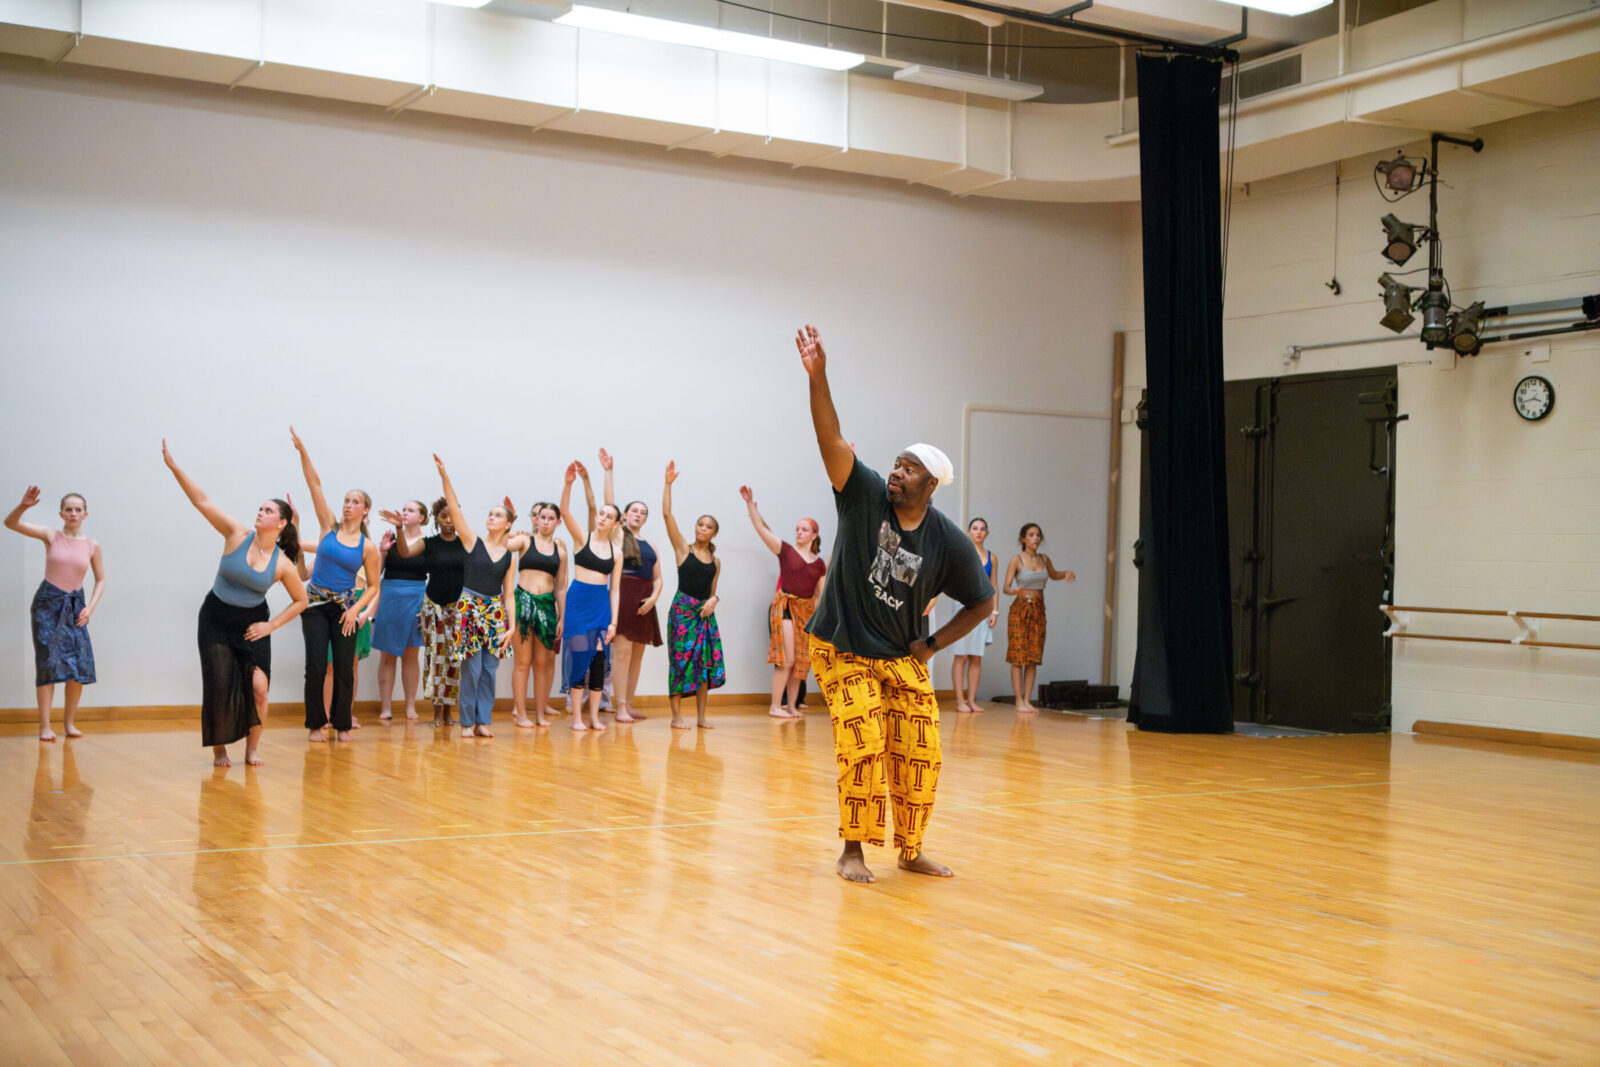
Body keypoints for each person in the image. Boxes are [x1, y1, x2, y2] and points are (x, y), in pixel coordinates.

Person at [794, 324, 995, 885]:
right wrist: (819, 376)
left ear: (930, 485)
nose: (896, 473)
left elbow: (982, 601)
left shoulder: (947, 539)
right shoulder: (863, 495)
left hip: (899, 654)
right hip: (840, 644)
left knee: (921, 750)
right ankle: (853, 851)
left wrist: (931, 645)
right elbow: (829, 438)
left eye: (908, 469)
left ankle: (910, 850)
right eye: (896, 464)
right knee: (863, 741)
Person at [162, 441, 308, 766]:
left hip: (252, 624)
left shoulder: (283, 563)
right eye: (260, 508)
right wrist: (174, 467)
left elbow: (301, 600)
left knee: (259, 688)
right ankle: (219, 748)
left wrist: (270, 625)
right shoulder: (236, 534)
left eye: (268, 510)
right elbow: (201, 501)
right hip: (215, 618)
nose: (261, 512)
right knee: (219, 684)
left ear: (282, 523)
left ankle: (252, 750)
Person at [290, 426, 381, 743]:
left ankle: (342, 724)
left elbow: (372, 586)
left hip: (345, 608)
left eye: (354, 502)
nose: (347, 505)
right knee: (315, 666)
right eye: (346, 500)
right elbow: (314, 484)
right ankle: (316, 723)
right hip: (315, 604)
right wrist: (304, 452)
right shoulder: (328, 527)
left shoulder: (367, 547)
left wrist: (356, 610)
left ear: (365, 510)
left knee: (344, 669)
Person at [6, 486, 106, 741]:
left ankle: (69, 723)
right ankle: (44, 726)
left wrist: (90, 608)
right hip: (47, 605)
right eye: (69, 509)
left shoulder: (92, 545)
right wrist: (23, 505)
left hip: (76, 606)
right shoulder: (51, 535)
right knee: (48, 663)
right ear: (62, 513)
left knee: (78, 666)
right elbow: (11, 523)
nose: (73, 513)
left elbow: (101, 579)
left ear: (85, 514)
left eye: (78, 509)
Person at [430, 455, 515, 738]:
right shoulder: (471, 541)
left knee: (490, 669)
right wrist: (445, 476)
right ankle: (467, 722)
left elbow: (509, 594)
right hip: (469, 607)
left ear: (507, 524)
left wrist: (512, 627)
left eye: (498, 515)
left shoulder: (509, 556)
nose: (492, 518)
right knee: (472, 669)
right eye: (490, 514)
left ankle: (483, 721)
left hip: (494, 611)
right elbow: (453, 508)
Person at [739, 485, 826, 719]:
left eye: (804, 529)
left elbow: (821, 595)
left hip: (806, 612)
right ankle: (775, 705)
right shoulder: (786, 550)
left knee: (800, 662)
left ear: (814, 535)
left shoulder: (819, 564)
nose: (798, 532)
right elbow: (762, 530)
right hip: (785, 607)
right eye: (797, 529)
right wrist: (750, 505)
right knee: (786, 660)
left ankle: (791, 706)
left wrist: (817, 618)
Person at [388, 497, 467, 728]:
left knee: (453, 661)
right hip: (433, 606)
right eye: (444, 516)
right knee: (435, 659)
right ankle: (436, 713)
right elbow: (404, 553)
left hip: (457, 609)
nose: (449, 521)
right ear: (436, 519)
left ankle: (449, 712)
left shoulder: (467, 544)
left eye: (453, 515)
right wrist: (399, 529)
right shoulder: (429, 543)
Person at [600, 448, 661, 724]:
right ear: (624, 515)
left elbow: (658, 578)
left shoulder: (651, 545)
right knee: (622, 655)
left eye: (643, 512)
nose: (639, 514)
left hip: (645, 602)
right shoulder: (619, 534)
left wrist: (653, 599)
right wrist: (609, 472)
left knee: (637, 656)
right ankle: (620, 705)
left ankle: (630, 703)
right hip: (623, 597)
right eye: (634, 510)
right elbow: (609, 502)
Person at [559, 461, 621, 732]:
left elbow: (615, 589)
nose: (603, 517)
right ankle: (576, 718)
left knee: (598, 662)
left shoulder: (616, 552)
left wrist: (613, 622)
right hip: (577, 601)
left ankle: (594, 716)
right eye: (601, 513)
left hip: (600, 605)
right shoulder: (580, 538)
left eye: (609, 515)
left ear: (616, 523)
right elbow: (564, 510)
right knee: (578, 659)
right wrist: (569, 484)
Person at [662, 463, 725, 730]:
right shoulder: (682, 549)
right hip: (682, 613)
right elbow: (666, 515)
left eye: (708, 526)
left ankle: (701, 717)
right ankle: (676, 716)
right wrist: (668, 484)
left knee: (704, 665)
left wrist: (715, 600)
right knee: (679, 662)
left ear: (713, 533)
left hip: (704, 615)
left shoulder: (716, 561)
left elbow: (712, 592)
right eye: (700, 524)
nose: (702, 528)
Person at [1003, 522, 1076, 714]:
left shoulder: (1044, 559)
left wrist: (1066, 573)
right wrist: (1014, 592)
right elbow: (1006, 587)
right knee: (1018, 657)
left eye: (1038, 535)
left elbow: (1053, 575)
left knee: (1033, 657)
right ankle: (1018, 700)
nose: (1035, 538)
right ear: (1023, 539)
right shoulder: (1016, 560)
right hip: (1020, 610)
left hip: (1038, 611)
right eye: (1031, 534)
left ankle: (1027, 700)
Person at [371, 500, 430, 722]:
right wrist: (382, 552)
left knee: (411, 654)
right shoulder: (393, 541)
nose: (405, 513)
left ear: (422, 517)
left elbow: (433, 577)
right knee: (387, 655)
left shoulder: (427, 543)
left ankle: (410, 706)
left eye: (410, 510)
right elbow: (375, 576)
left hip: (416, 597)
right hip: (390, 599)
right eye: (404, 509)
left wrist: (427, 607)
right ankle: (386, 707)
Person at [510, 500, 565, 729]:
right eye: (542, 517)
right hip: (522, 603)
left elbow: (561, 586)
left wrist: (562, 616)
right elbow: (500, 544)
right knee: (522, 663)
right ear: (536, 519)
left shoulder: (560, 551)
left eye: (551, 518)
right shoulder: (524, 540)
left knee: (542, 665)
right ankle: (521, 714)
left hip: (546, 607)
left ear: (558, 522)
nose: (545, 522)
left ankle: (540, 714)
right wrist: (509, 526)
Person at [948, 517, 1000, 713]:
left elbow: (993, 585)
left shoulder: (991, 557)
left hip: (984, 607)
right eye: (975, 528)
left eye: (982, 529)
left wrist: (995, 610)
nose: (979, 532)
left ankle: (972, 700)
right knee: (960, 655)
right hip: (962, 606)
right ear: (969, 532)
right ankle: (960, 700)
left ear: (986, 533)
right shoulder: (962, 553)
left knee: (976, 657)